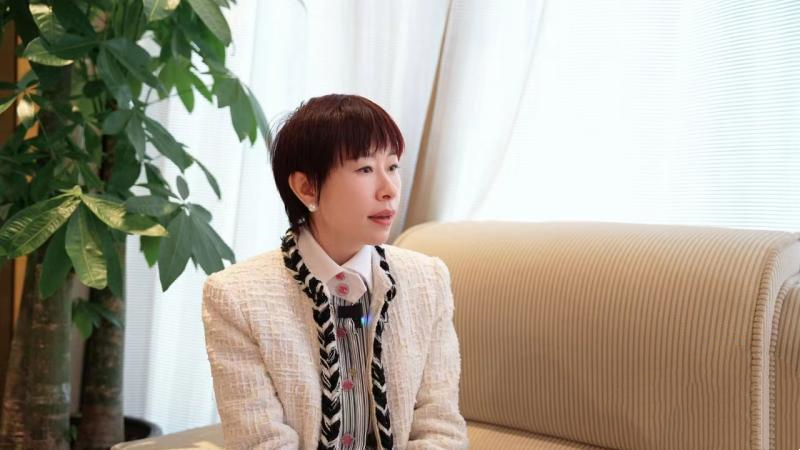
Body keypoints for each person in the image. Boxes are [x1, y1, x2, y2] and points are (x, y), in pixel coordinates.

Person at [201, 94, 468, 449]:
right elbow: (262, 442)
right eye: (365, 169)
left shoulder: (428, 280)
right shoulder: (236, 298)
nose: (389, 190)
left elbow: (442, 429)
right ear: (306, 187)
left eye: (392, 166)